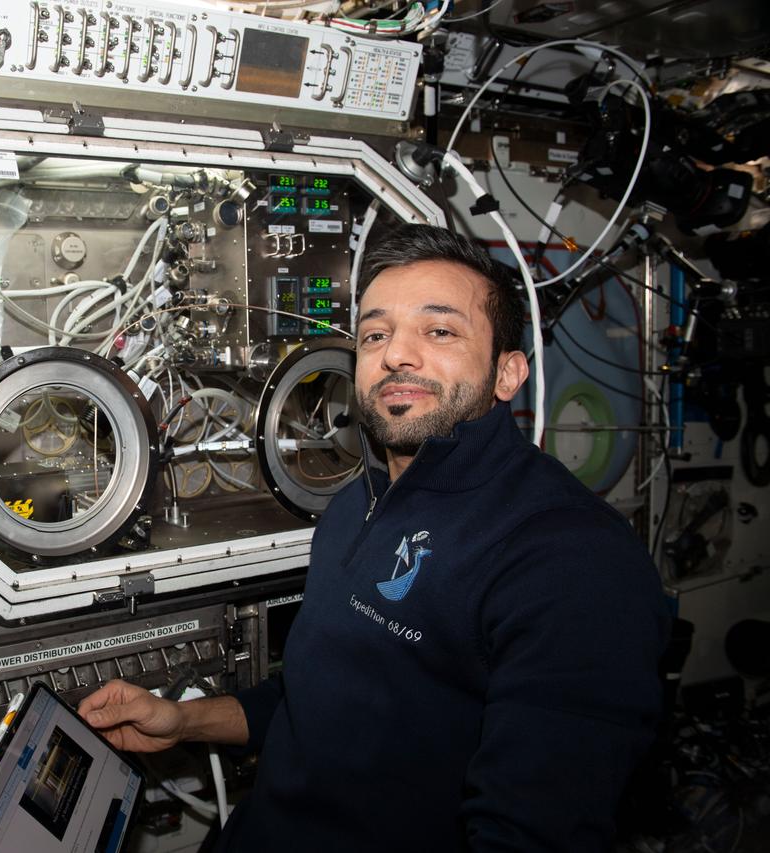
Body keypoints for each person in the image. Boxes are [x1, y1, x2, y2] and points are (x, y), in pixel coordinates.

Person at [78, 224, 670, 851]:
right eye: (375, 335)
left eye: (439, 331)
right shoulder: (354, 505)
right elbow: (318, 704)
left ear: (508, 373)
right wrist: (182, 722)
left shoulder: (571, 559)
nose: (396, 355)